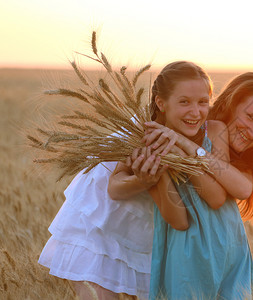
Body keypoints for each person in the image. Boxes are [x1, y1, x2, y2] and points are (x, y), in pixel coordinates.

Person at [38, 61, 213, 300]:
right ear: (161, 103)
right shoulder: (142, 130)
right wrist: (144, 180)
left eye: (203, 102)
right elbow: (115, 189)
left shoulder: (203, 136)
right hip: (98, 224)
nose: (195, 112)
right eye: (184, 102)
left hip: (139, 234)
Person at [137, 72, 253, 299]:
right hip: (186, 259)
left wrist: (186, 147)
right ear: (231, 104)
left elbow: (242, 189)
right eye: (251, 117)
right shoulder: (193, 127)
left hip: (229, 262)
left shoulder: (245, 162)